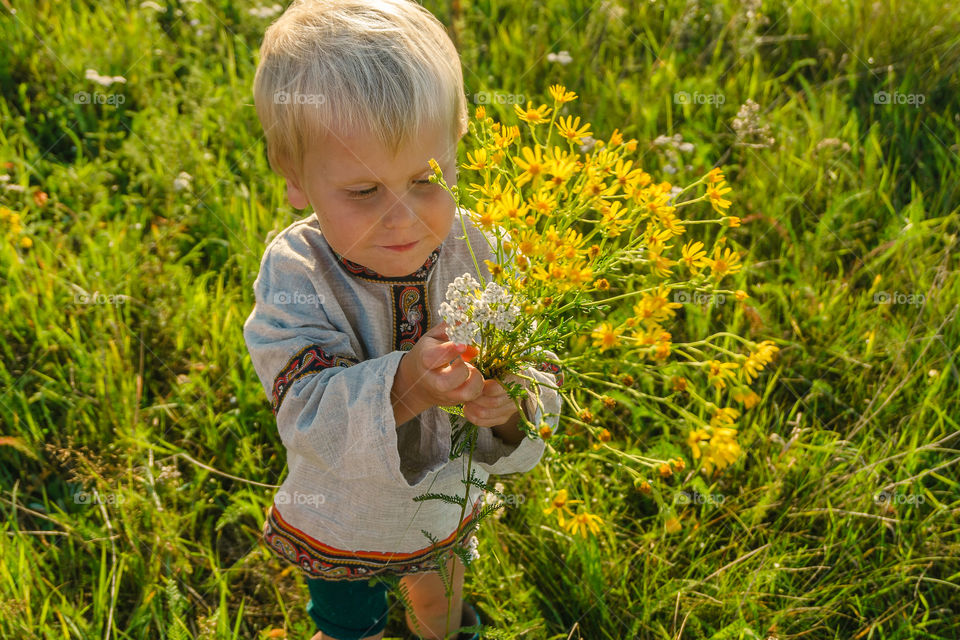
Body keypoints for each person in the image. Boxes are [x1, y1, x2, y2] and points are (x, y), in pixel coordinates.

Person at [243, 2, 563, 638]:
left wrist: (507, 406)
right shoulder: (296, 275)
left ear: (458, 141)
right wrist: (407, 388)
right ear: (294, 174)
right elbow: (305, 414)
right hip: (339, 514)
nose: (404, 217)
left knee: (439, 605)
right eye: (363, 192)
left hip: (440, 508)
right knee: (345, 621)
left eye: (426, 178)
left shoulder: (482, 251)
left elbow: (539, 374)